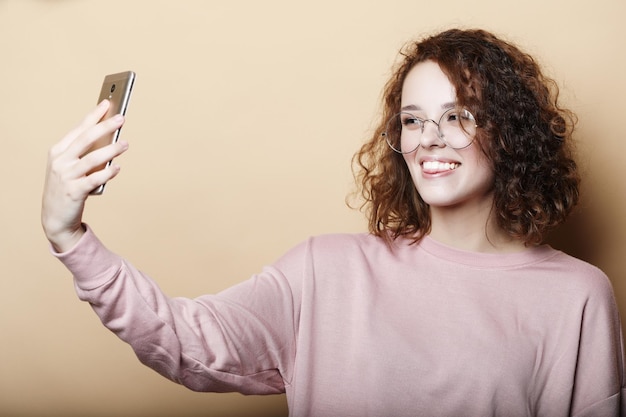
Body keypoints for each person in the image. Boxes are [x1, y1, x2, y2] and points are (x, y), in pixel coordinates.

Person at [41, 28, 625, 417]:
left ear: (508, 132)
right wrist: (70, 238)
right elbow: (187, 340)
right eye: (413, 120)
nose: (430, 139)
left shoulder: (575, 297)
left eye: (459, 115)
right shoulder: (326, 270)